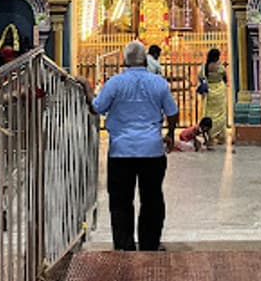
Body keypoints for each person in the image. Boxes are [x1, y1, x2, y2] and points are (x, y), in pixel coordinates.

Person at [88, 40, 179, 252]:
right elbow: (172, 113)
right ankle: (150, 244)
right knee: (152, 199)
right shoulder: (158, 83)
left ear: (124, 60)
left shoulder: (115, 83)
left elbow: (97, 107)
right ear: (145, 59)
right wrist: (170, 133)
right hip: (152, 150)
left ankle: (124, 246)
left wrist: (85, 86)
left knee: (120, 201)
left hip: (121, 150)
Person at [198, 48, 229, 144]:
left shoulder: (204, 67)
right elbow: (225, 78)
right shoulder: (220, 67)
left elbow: (200, 77)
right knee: (220, 114)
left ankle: (210, 136)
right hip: (219, 90)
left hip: (209, 92)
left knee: (209, 113)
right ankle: (220, 136)